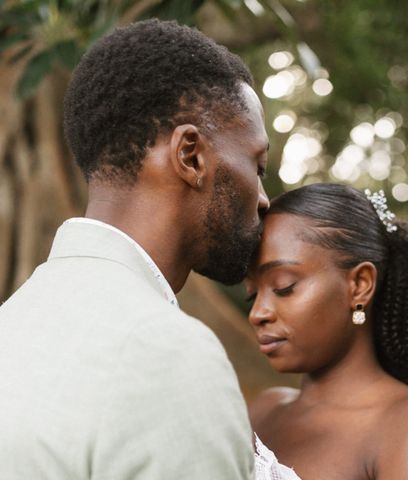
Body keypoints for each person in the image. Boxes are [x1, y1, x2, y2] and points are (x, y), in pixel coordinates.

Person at [0, 19, 269, 479]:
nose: (263, 197)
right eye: (258, 165)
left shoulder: (11, 325)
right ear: (191, 156)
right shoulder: (168, 353)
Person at [245, 183, 408, 480]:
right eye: (252, 294)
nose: (257, 313)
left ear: (360, 285)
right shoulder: (264, 409)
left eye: (283, 287)